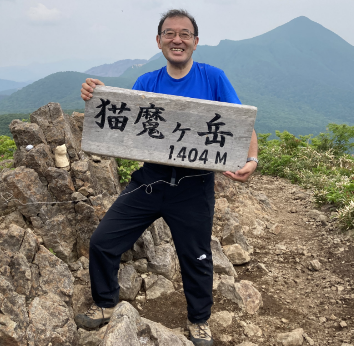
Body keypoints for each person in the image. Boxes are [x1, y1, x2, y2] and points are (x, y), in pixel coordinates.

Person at [75, 9, 258, 346]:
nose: (178, 39)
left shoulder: (213, 77)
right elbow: (128, 123)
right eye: (170, 34)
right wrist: (98, 95)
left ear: (196, 42)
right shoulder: (147, 82)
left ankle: (199, 322)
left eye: (185, 34)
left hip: (195, 184)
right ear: (158, 41)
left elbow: (241, 124)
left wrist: (252, 159)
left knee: (197, 256)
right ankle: (104, 303)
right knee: (103, 240)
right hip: (150, 179)